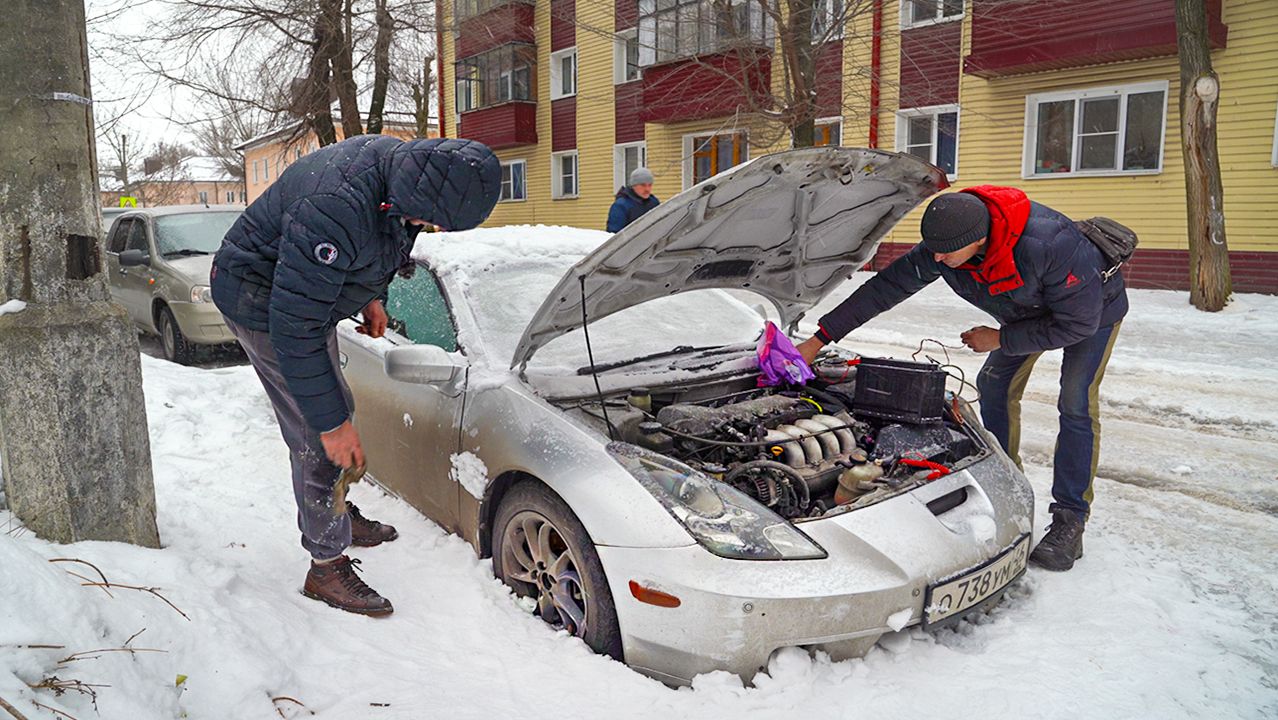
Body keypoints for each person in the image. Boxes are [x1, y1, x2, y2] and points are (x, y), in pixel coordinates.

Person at [211, 135, 501, 615]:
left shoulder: (400, 172)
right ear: (415, 196)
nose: (428, 227)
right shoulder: (334, 205)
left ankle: (335, 509)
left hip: (299, 301)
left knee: (334, 410)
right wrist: (331, 424)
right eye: (431, 220)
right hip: (260, 303)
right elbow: (294, 326)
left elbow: (381, 238)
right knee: (317, 432)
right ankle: (325, 565)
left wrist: (368, 296)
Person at [796, 187, 1128, 572]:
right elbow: (885, 289)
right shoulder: (947, 242)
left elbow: (1077, 323)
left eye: (945, 254)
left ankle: (1071, 519)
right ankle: (1008, 482)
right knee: (994, 387)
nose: (937, 259)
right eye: (933, 251)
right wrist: (819, 339)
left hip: (1091, 314)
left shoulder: (1049, 244)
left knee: (1074, 402)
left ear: (980, 238)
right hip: (1024, 314)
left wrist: (1000, 338)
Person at [606, 167, 659, 233]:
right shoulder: (621, 206)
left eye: (650, 185)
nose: (647, 189)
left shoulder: (654, 203)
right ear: (633, 185)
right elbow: (615, 235)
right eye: (643, 185)